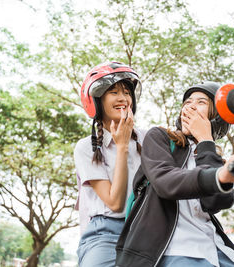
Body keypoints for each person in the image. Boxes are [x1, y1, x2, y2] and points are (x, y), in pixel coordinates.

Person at [115, 81, 234, 267]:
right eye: (187, 102)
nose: (191, 106)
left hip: (218, 251)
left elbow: (217, 202)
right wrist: (218, 176)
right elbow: (165, 182)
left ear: (216, 118)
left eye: (201, 102)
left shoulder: (211, 156)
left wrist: (205, 141)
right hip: (174, 250)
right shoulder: (159, 137)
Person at [74, 61, 145, 267]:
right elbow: (115, 203)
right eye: (113, 92)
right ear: (97, 101)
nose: (123, 98)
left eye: (126, 92)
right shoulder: (87, 147)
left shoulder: (148, 139)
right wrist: (122, 147)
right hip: (105, 233)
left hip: (144, 230)